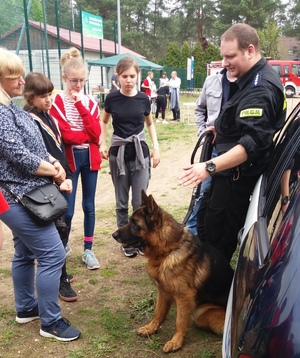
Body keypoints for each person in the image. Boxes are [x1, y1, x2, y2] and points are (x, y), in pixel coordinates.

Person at [179, 23, 286, 262]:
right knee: (206, 227)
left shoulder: (260, 88)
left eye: (230, 56)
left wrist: (208, 167)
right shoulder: (249, 78)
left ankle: (212, 296)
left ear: (249, 50)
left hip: (234, 181)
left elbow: (251, 145)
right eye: (223, 56)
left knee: (216, 245)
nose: (224, 62)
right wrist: (219, 128)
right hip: (225, 176)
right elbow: (244, 123)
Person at [0, 48, 80, 341]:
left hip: (23, 193)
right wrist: (54, 171)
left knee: (23, 252)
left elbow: (35, 146)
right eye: (13, 76)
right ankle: (51, 322)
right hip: (15, 196)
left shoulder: (10, 108)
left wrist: (55, 162)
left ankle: (25, 308)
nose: (21, 80)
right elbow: (18, 155)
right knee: (52, 253)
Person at [23, 72, 77, 302]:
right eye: (42, 96)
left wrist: (67, 174)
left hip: (60, 179)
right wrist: (58, 178)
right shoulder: (29, 120)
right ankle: (60, 280)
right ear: (30, 96)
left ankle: (61, 272)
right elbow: (38, 156)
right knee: (57, 230)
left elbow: (58, 148)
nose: (48, 99)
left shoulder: (48, 115)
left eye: (50, 94)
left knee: (64, 225)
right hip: (47, 185)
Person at [100, 56, 160, 257]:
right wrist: (102, 142)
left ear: (138, 76)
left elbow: (150, 123)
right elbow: (104, 121)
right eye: (124, 76)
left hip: (140, 153)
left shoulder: (144, 99)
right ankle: (126, 242)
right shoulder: (112, 98)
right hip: (119, 153)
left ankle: (140, 238)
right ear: (118, 76)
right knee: (121, 201)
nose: (128, 80)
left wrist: (156, 147)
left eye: (132, 76)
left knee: (140, 201)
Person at [50, 47, 102, 270]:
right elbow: (64, 135)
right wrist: (87, 136)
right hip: (69, 160)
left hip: (90, 159)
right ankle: (62, 246)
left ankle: (88, 250)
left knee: (89, 205)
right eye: (73, 81)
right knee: (67, 210)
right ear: (64, 78)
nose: (78, 85)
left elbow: (97, 133)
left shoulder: (90, 102)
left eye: (81, 81)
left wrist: (80, 104)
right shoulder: (56, 103)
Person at [186, 69, 237, 236]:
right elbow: (199, 110)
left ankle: (221, 234)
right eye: (224, 56)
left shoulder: (248, 82)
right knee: (201, 193)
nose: (227, 60)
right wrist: (203, 132)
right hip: (213, 149)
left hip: (236, 150)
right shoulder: (211, 81)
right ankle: (193, 234)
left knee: (226, 196)